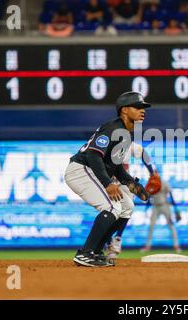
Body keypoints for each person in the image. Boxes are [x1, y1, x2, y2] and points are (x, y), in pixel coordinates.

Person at [65, 91, 151, 267]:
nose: (143, 111)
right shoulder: (113, 128)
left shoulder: (126, 134)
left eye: (144, 108)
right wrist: (108, 183)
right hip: (81, 169)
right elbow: (93, 155)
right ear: (125, 110)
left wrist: (131, 183)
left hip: (91, 170)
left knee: (127, 207)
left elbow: (117, 167)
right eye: (138, 107)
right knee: (112, 206)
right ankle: (85, 253)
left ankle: (96, 251)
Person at [104, 141, 159, 262]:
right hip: (106, 183)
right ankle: (108, 243)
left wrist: (152, 172)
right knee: (109, 213)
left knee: (128, 209)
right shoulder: (104, 144)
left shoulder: (128, 144)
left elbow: (144, 153)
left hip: (123, 181)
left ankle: (117, 238)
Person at [141, 178, 182, 253]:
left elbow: (170, 194)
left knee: (171, 225)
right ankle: (148, 246)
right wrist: (147, 207)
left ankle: (176, 245)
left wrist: (175, 207)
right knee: (151, 226)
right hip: (155, 207)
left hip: (165, 205)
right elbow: (149, 197)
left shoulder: (164, 182)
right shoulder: (150, 184)